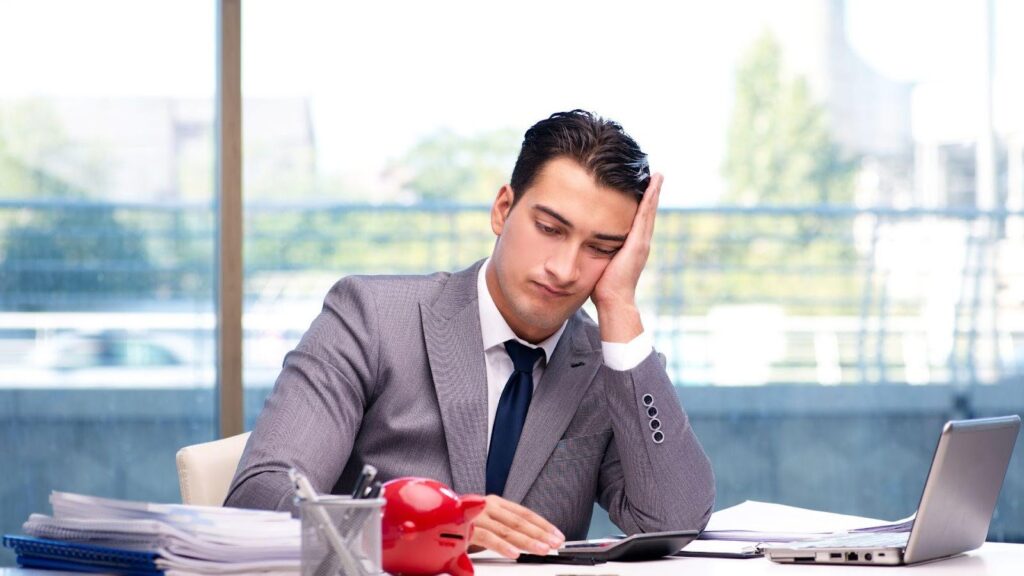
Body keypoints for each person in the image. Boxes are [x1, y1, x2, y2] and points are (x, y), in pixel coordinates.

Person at [225, 109, 715, 559]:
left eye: (600, 248)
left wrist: (619, 305)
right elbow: (258, 502)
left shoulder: (612, 368)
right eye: (549, 228)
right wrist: (423, 526)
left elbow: (674, 520)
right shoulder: (370, 319)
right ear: (503, 209)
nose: (564, 269)